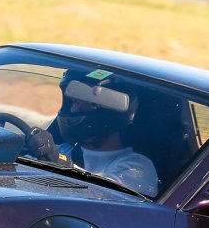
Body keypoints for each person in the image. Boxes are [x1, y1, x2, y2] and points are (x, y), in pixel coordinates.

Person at [27, 71, 159, 197]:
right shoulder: (61, 151)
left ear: (108, 110)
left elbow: (101, 199)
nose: (73, 109)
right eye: (73, 101)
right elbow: (14, 174)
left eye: (81, 103)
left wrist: (62, 165)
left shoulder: (137, 167)